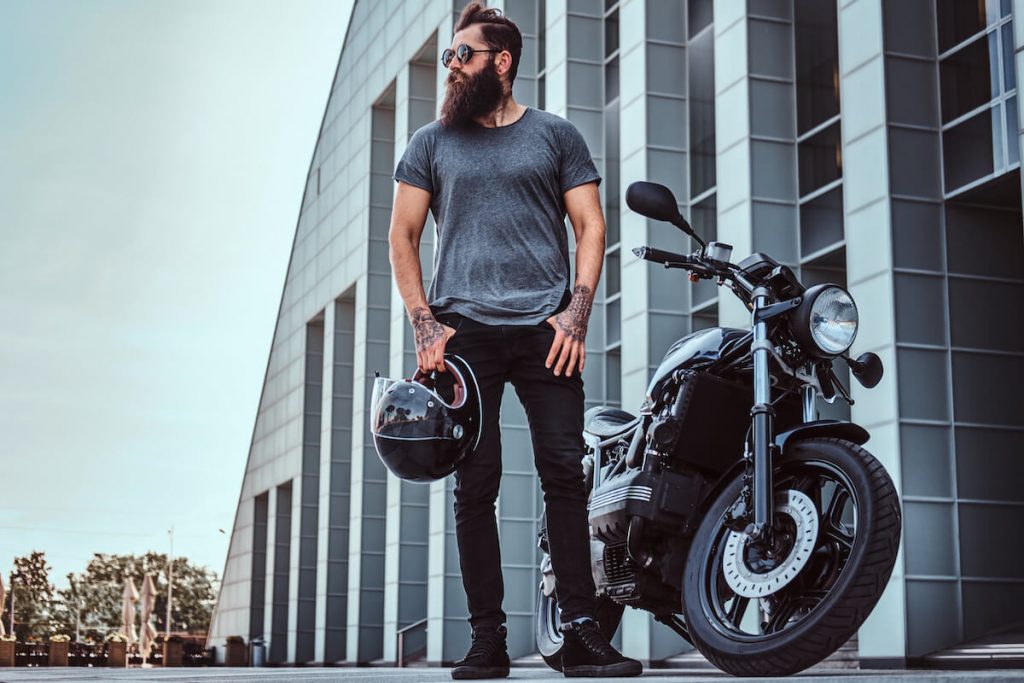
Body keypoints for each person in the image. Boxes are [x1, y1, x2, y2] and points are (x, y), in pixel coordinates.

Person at [387, 3, 642, 679]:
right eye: (449, 56)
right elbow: (402, 236)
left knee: (565, 476)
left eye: (461, 54)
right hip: (463, 334)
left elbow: (590, 225)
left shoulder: (555, 136)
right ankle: (487, 639)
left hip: (545, 331)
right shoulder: (430, 143)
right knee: (477, 484)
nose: (452, 66)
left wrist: (576, 315)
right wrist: (425, 323)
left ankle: (583, 635)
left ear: (501, 61)